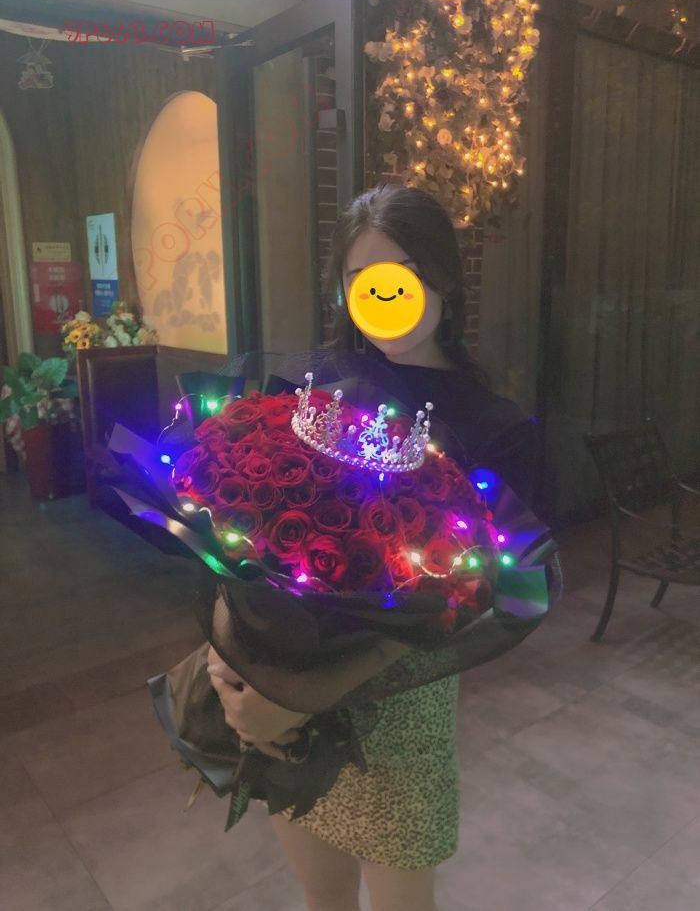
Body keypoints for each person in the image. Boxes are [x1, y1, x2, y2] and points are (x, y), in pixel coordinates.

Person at [207, 184, 538, 911]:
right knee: (322, 896)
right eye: (363, 279)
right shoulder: (310, 385)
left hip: (400, 705)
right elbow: (237, 532)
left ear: (443, 279)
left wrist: (301, 696)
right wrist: (228, 652)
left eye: (404, 275)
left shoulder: (494, 426)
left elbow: (488, 598)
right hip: (282, 679)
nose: (386, 296)